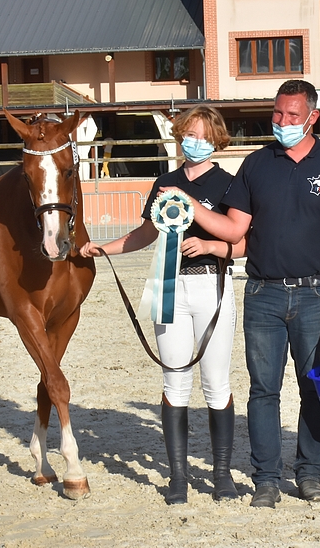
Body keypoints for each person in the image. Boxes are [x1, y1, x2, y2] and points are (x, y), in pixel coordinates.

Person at [184, 80, 320, 508]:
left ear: (312, 117)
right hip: (262, 295)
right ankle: (265, 479)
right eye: (277, 114)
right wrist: (191, 207)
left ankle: (309, 473)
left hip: (315, 295)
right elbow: (234, 229)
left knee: (313, 387)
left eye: (292, 115)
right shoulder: (255, 165)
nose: (283, 122)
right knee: (263, 390)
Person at [79, 105, 245, 505]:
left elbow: (240, 242)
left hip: (213, 285)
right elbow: (146, 233)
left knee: (216, 382)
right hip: (170, 285)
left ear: (216, 140)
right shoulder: (164, 182)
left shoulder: (230, 184)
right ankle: (178, 477)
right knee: (174, 380)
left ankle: (222, 475)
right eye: (189, 134)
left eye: (203, 136)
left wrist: (209, 245)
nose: (194, 142)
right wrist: (105, 247)